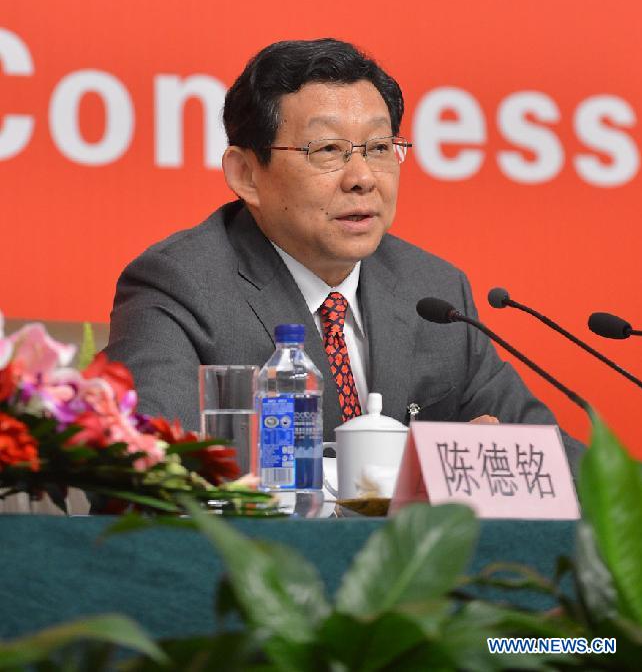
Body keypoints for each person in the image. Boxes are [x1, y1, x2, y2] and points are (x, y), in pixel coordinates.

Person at [106, 38, 583, 469]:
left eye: (379, 147)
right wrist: (406, 478)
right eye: (329, 149)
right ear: (246, 174)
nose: (363, 177)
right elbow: (155, 474)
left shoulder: (434, 293)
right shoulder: (181, 285)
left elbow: (552, 461)